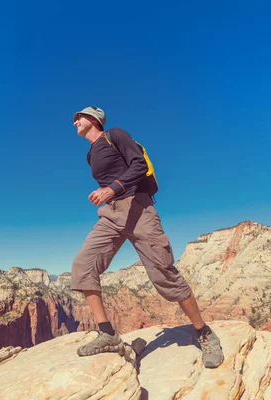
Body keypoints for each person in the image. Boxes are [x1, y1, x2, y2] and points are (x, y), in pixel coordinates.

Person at [70, 106, 224, 368]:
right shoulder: (90, 155)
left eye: (79, 117)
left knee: (163, 274)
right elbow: (108, 180)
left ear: (94, 120)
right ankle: (108, 334)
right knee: (83, 266)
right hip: (111, 214)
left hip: (138, 208)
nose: (75, 122)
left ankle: (203, 332)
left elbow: (139, 166)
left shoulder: (114, 135)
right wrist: (105, 194)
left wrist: (111, 189)